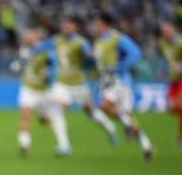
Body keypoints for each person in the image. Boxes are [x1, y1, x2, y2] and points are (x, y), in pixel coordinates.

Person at [32, 17, 116, 156]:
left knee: (90, 112)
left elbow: (89, 57)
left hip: (78, 84)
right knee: (55, 110)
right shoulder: (57, 39)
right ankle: (64, 145)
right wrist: (32, 46)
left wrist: (89, 58)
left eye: (68, 26)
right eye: (64, 25)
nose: (65, 28)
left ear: (74, 27)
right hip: (61, 83)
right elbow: (41, 47)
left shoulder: (81, 43)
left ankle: (109, 126)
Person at [91, 13, 152, 161]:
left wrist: (119, 67)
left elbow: (135, 52)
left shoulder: (116, 38)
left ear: (104, 24)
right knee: (128, 117)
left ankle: (127, 125)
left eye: (97, 23)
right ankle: (146, 146)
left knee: (104, 105)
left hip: (119, 80)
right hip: (107, 81)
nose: (94, 26)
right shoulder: (98, 41)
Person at [14, 28, 52, 155]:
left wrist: (48, 72)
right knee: (25, 114)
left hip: (43, 90)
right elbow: (21, 64)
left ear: (36, 35)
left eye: (29, 35)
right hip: (28, 87)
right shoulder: (24, 50)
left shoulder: (46, 49)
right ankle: (24, 144)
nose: (26, 37)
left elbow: (53, 64)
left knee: (43, 120)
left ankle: (49, 118)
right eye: (26, 35)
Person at [158, 21, 182, 144]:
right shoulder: (162, 43)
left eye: (166, 31)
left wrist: (180, 66)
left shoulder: (179, 43)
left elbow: (176, 63)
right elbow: (165, 58)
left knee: (180, 106)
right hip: (172, 80)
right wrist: (162, 69)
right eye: (163, 31)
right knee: (171, 108)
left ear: (173, 29)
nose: (164, 33)